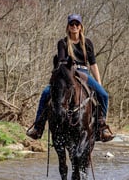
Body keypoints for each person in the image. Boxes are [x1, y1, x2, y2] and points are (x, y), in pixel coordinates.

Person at [26, 14, 114, 142]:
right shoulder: (62, 43)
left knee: (104, 95)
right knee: (46, 93)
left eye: (76, 24)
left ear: (80, 27)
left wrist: (99, 83)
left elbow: (93, 64)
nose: (74, 26)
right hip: (68, 72)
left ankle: (102, 127)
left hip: (84, 72)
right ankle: (38, 127)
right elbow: (61, 60)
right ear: (68, 26)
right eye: (71, 24)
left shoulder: (87, 43)